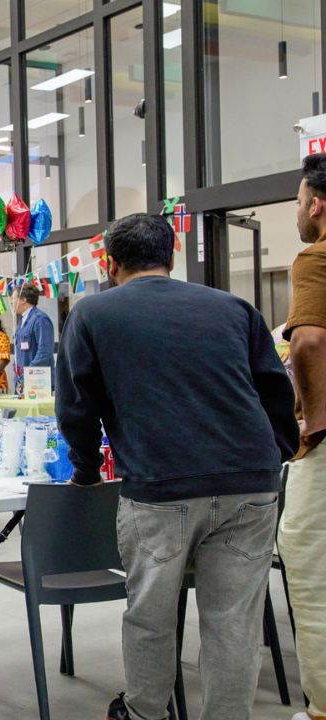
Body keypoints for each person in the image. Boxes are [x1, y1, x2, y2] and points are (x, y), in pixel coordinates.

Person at [54, 213, 298, 720]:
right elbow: (275, 387)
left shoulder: (93, 313)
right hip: (250, 483)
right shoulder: (234, 307)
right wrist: (276, 451)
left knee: (151, 615)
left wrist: (86, 471)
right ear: (172, 257)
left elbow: (77, 405)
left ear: (110, 263)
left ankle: (144, 713)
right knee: (234, 622)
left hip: (160, 487)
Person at [281, 153, 326, 720]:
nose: (296, 212)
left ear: (316, 205)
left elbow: (309, 342)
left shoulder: (315, 258)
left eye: (296, 201)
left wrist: (311, 427)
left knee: (310, 563)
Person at [14, 284, 55, 377]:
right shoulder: (22, 320)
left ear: (23, 300)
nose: (12, 302)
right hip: (23, 378)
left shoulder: (40, 319)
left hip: (38, 380)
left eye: (13, 298)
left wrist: (28, 374)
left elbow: (44, 353)